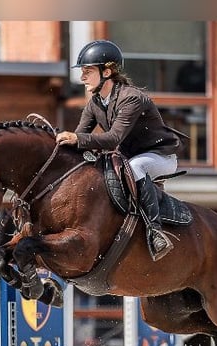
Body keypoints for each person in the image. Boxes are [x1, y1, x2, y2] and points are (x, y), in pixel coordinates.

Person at [56, 39, 182, 261]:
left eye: (88, 71)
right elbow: (80, 137)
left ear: (107, 71)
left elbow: (113, 137)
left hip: (159, 157)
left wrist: (76, 138)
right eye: (82, 72)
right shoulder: (95, 103)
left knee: (136, 167)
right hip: (127, 158)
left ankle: (155, 232)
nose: (82, 77)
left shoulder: (131, 98)